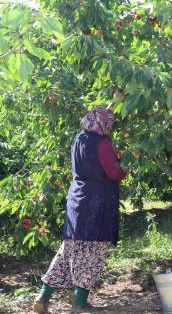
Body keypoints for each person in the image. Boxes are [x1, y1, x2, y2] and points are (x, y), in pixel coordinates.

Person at [33, 106, 127, 313]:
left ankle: (42, 297)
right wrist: (125, 166)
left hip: (77, 201)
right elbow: (114, 173)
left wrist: (114, 102)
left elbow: (103, 114)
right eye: (108, 123)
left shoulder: (79, 138)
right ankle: (79, 303)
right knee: (92, 254)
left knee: (68, 252)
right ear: (103, 124)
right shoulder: (102, 143)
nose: (109, 126)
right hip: (97, 204)